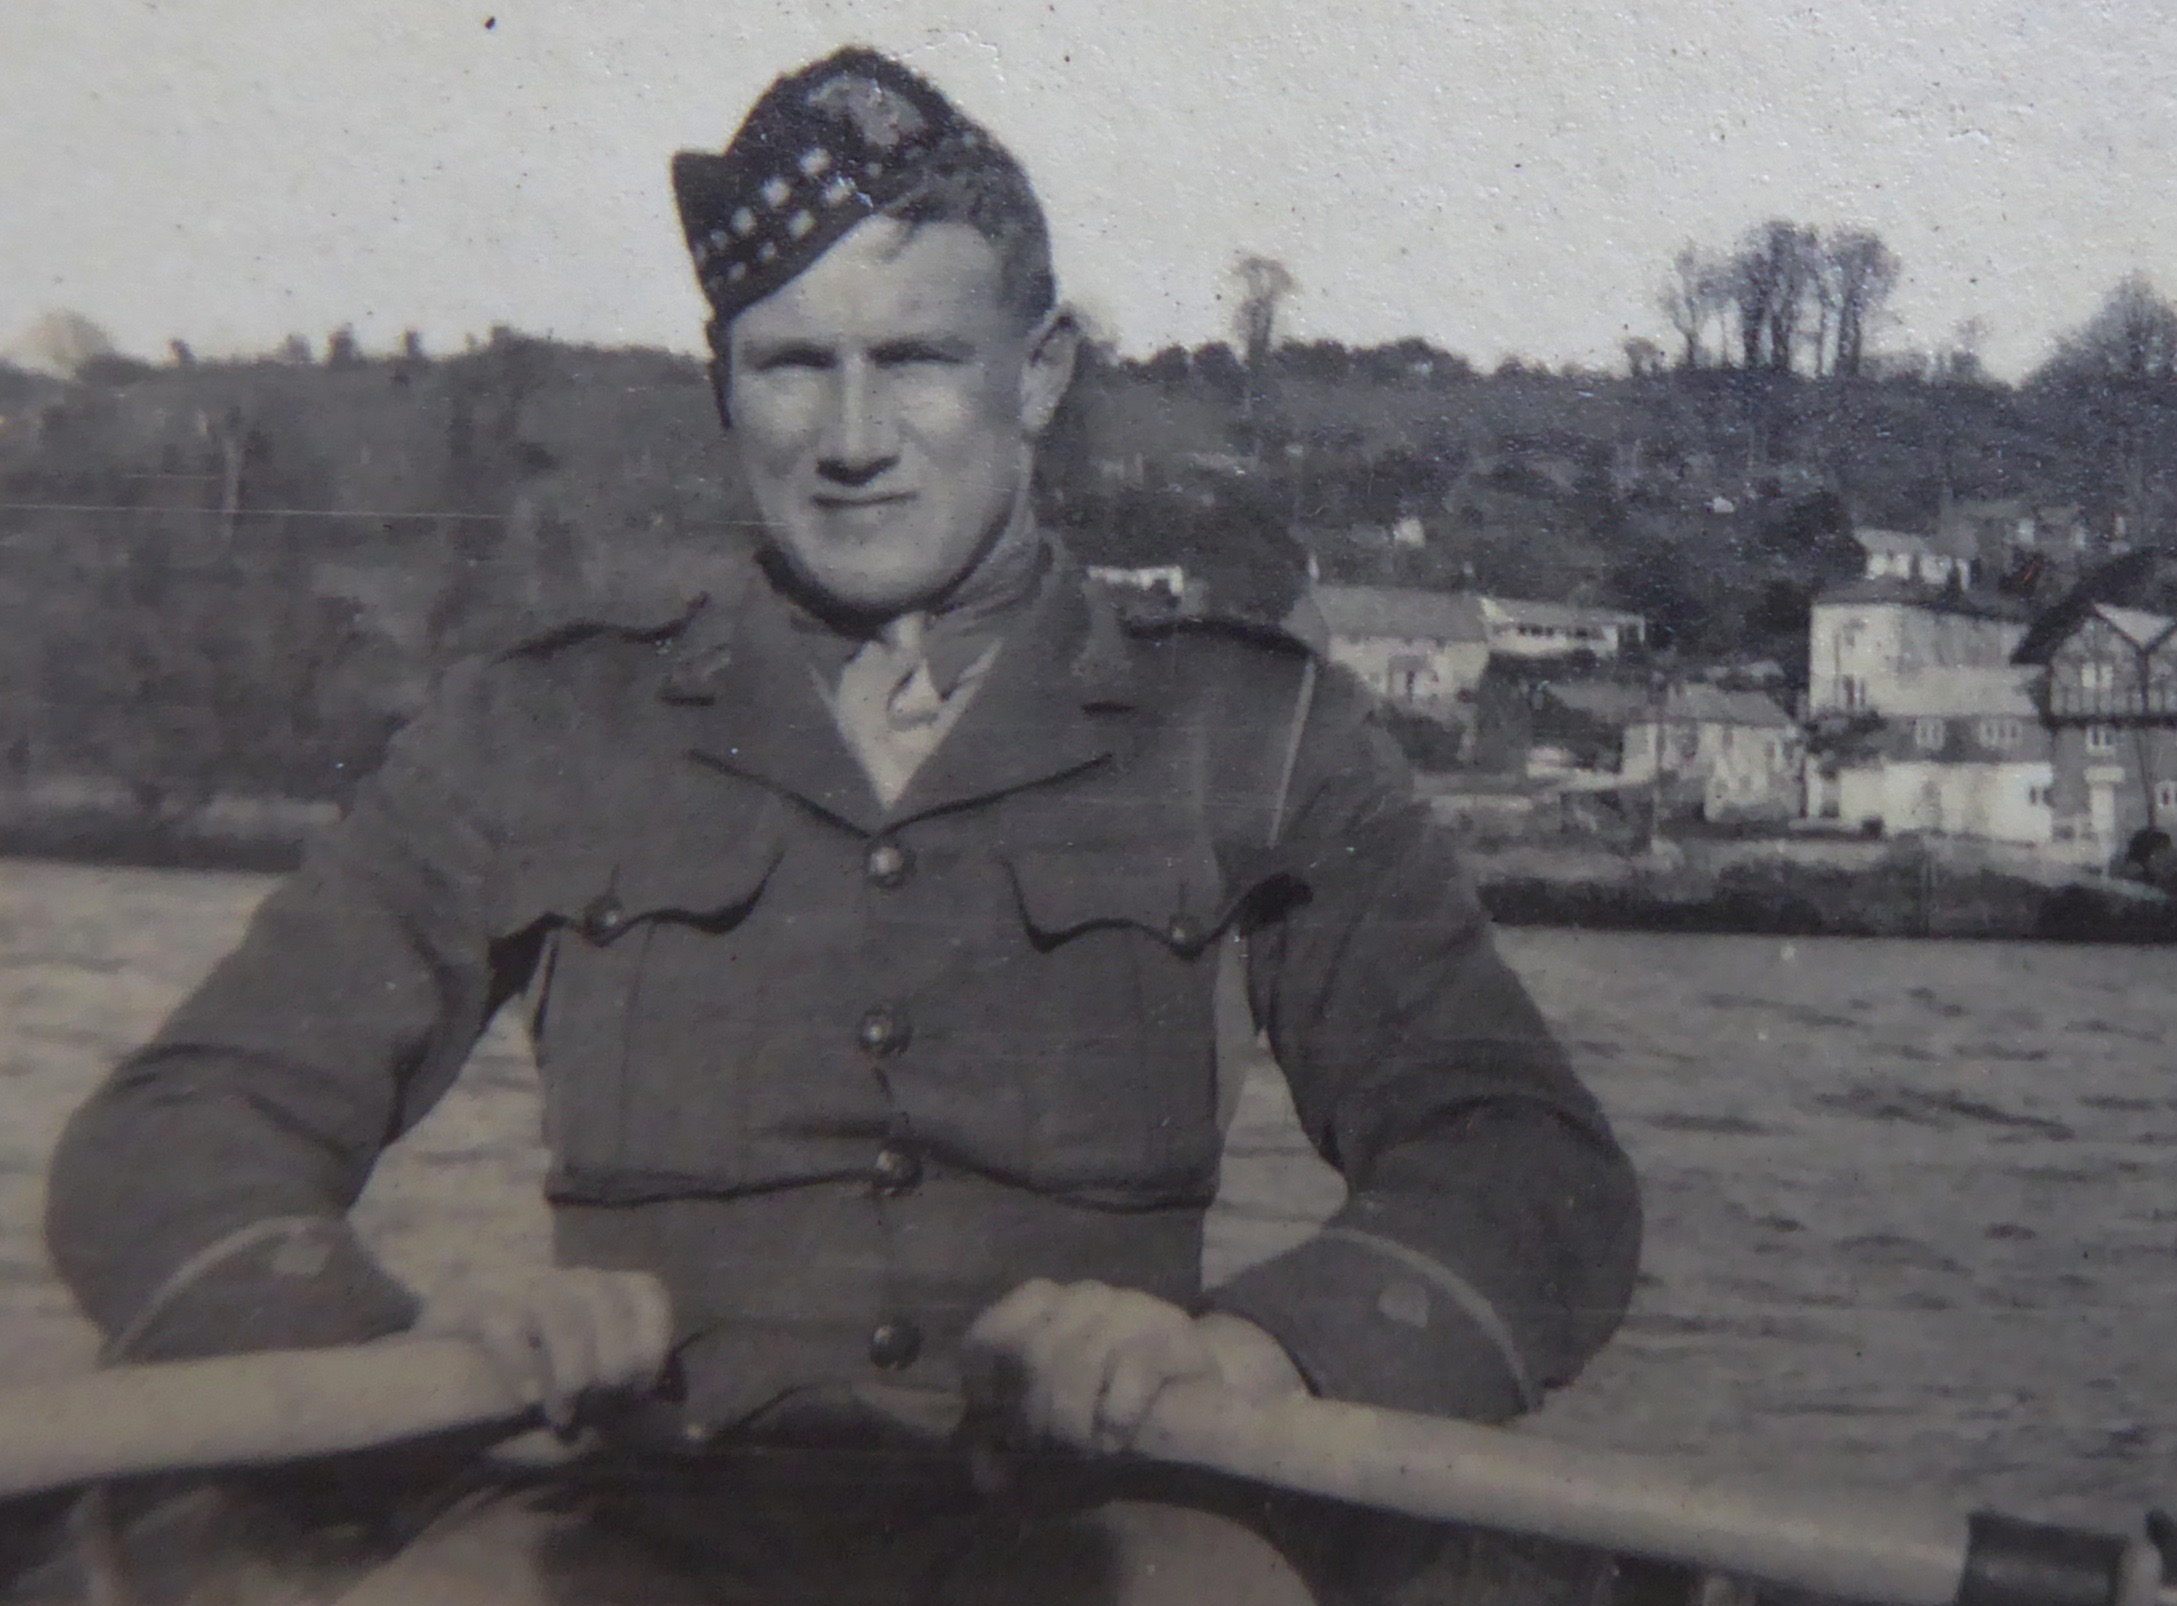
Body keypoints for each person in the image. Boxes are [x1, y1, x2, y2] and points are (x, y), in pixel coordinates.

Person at [37, 47, 1640, 1606]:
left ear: (1039, 376)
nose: (852, 437)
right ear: (720, 385)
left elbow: (1528, 1163)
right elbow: (171, 1132)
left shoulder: (1256, 733)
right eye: (794, 364)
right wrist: (410, 1359)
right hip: (620, 1536)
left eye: (917, 359)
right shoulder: (540, 729)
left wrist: (1250, 1353)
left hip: (1100, 1540)